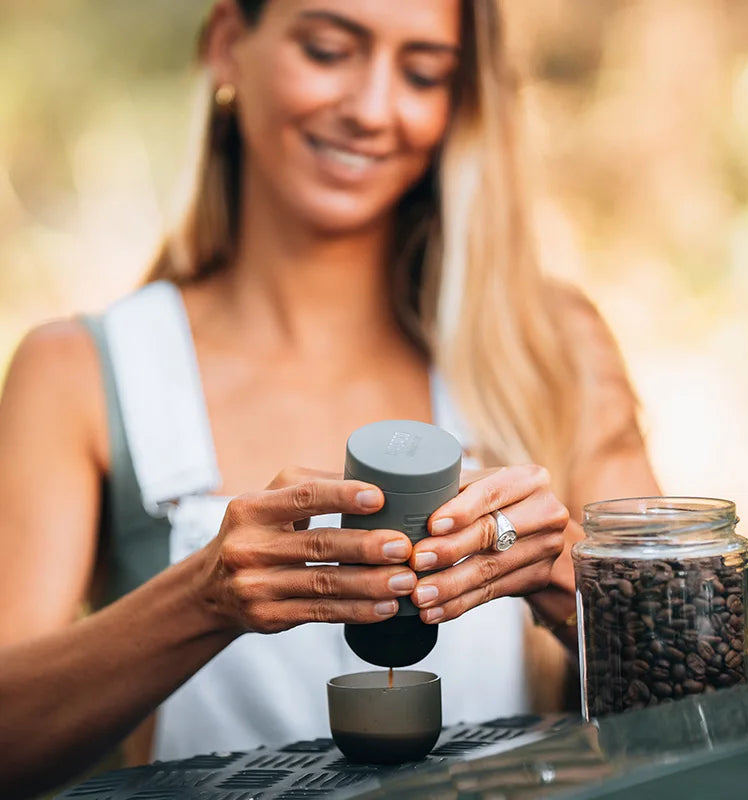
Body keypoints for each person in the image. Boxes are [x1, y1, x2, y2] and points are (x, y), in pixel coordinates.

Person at [0, 0, 660, 796]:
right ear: (228, 46)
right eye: (326, 50)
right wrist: (205, 599)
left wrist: (566, 578)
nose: (373, 109)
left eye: (422, 74)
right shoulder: (80, 372)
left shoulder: (550, 350)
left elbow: (703, 707)